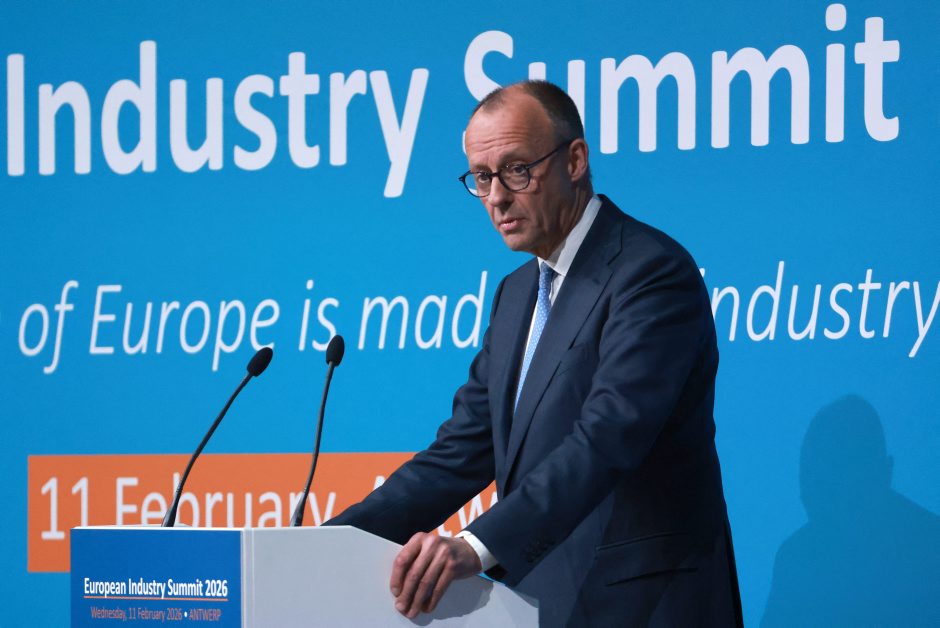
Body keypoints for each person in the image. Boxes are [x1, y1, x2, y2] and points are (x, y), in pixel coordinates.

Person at [326, 79, 743, 627]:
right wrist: (327, 543)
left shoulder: (650, 272)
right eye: (482, 177)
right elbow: (461, 451)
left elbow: (607, 438)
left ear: (575, 160)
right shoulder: (517, 293)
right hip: (541, 603)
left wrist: (475, 546)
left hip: (646, 605)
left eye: (517, 170)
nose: (497, 196)